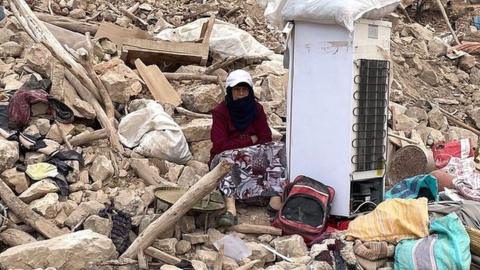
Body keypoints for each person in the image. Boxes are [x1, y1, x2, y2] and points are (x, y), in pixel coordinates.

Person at [210, 69, 286, 226]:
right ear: (230, 91)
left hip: (253, 155)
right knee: (228, 158)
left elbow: (266, 137)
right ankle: (231, 210)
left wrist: (241, 142)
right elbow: (219, 145)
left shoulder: (256, 109)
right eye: (237, 90)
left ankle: (275, 200)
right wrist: (249, 139)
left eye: (244, 90)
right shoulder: (220, 112)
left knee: (279, 149)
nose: (241, 94)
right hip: (225, 157)